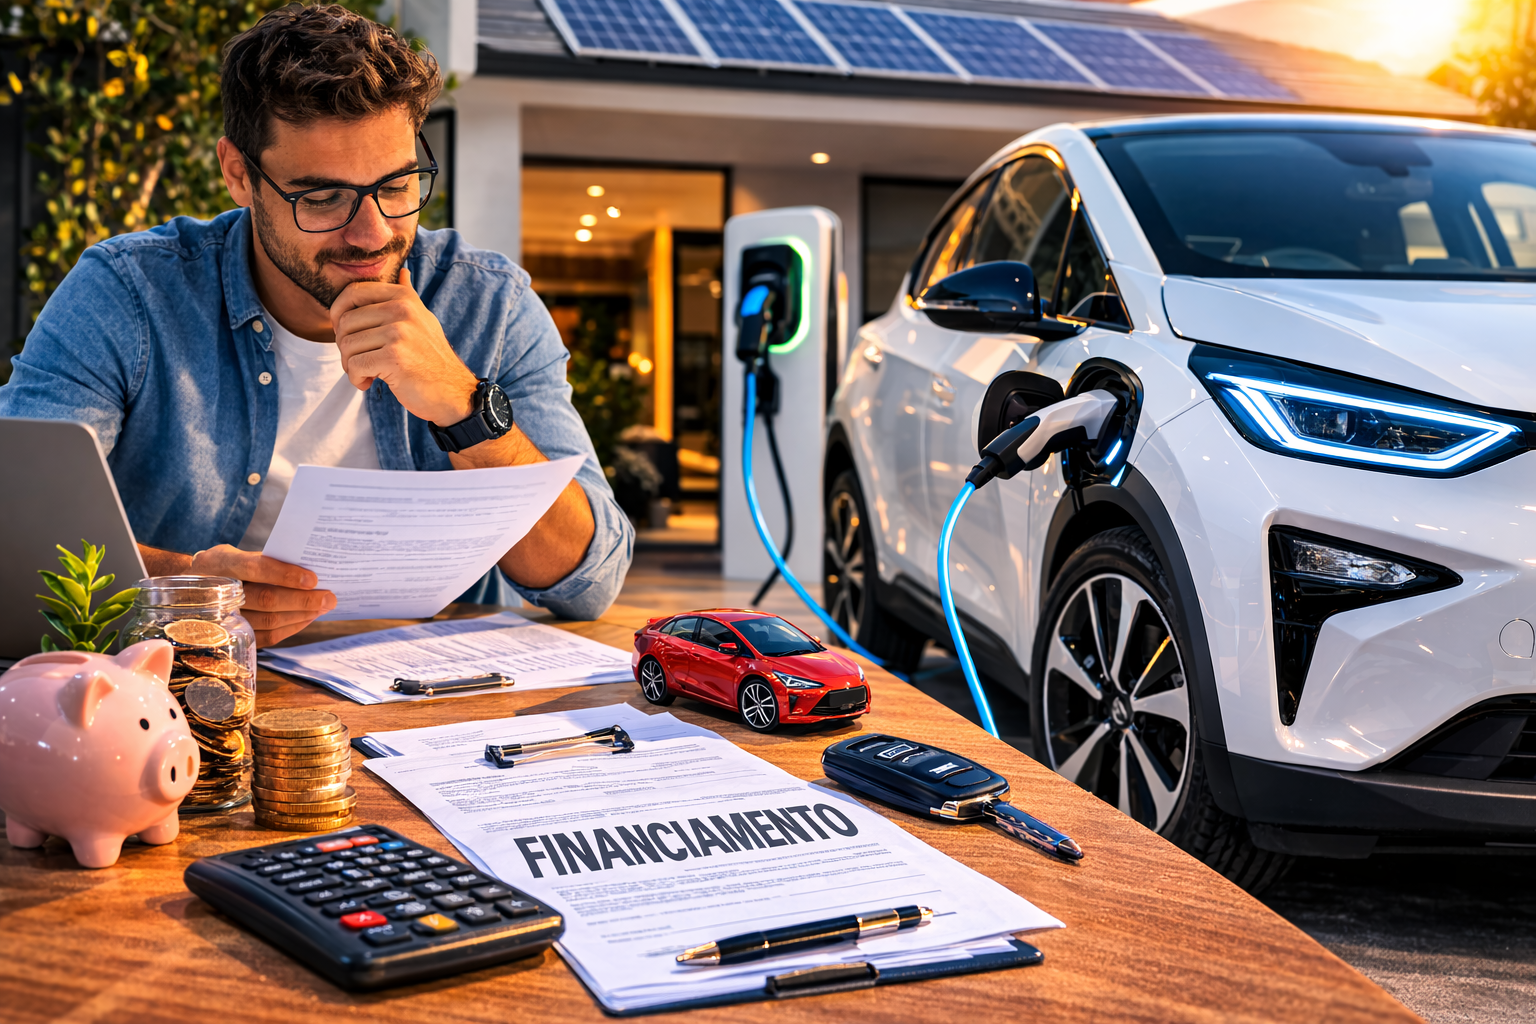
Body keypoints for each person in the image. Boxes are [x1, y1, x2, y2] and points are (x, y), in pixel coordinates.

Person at [0, 4, 633, 645]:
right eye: (322, 198)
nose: (374, 232)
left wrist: (465, 408)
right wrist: (186, 587)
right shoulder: (129, 294)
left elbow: (587, 581)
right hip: (190, 698)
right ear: (239, 174)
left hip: (433, 706)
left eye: (396, 185)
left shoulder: (488, 303)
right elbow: (14, 527)